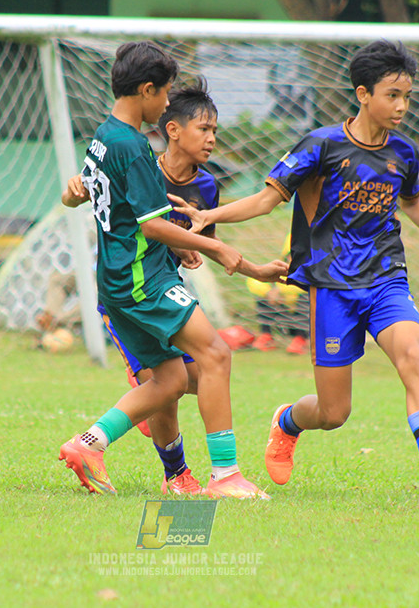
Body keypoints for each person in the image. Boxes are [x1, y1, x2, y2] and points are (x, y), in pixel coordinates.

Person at [171, 40, 419, 500]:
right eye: (392, 95)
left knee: (413, 355)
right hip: (331, 287)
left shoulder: (404, 152)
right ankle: (288, 421)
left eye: (407, 97)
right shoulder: (321, 146)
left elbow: (411, 200)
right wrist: (210, 215)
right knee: (333, 413)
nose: (402, 106)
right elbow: (266, 200)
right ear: (363, 94)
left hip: (385, 277)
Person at [57, 43, 286, 498]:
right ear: (147, 90)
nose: (165, 105)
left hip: (119, 278)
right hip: (142, 278)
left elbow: (107, 204)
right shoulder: (134, 147)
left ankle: (89, 445)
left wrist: (222, 256)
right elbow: (153, 226)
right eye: (163, 94)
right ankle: (226, 476)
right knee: (216, 355)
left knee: (172, 380)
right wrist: (215, 247)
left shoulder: (104, 136)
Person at [247, 234, 310, 355]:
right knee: (263, 296)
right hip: (285, 317)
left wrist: (281, 291)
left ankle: (301, 340)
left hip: (307, 319)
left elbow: (307, 286)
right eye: (290, 255)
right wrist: (269, 292)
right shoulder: (281, 271)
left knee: (306, 298)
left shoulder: (313, 271)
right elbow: (253, 282)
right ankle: (266, 336)